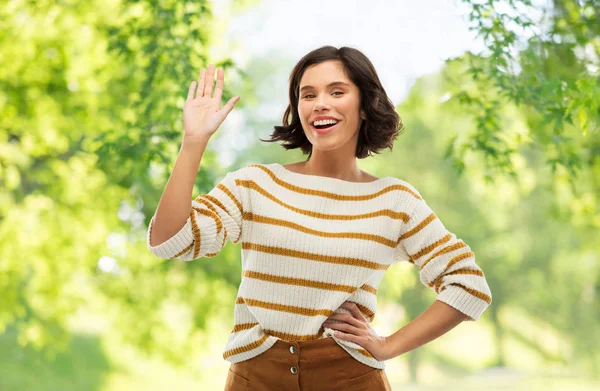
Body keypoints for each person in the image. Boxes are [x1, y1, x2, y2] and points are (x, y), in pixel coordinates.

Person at [147, 45, 492, 391]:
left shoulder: (395, 201)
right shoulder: (253, 184)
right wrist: (194, 142)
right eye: (307, 94)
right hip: (255, 378)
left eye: (337, 91)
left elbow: (467, 284)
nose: (319, 103)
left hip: (350, 378)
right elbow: (170, 242)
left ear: (365, 106)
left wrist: (388, 345)